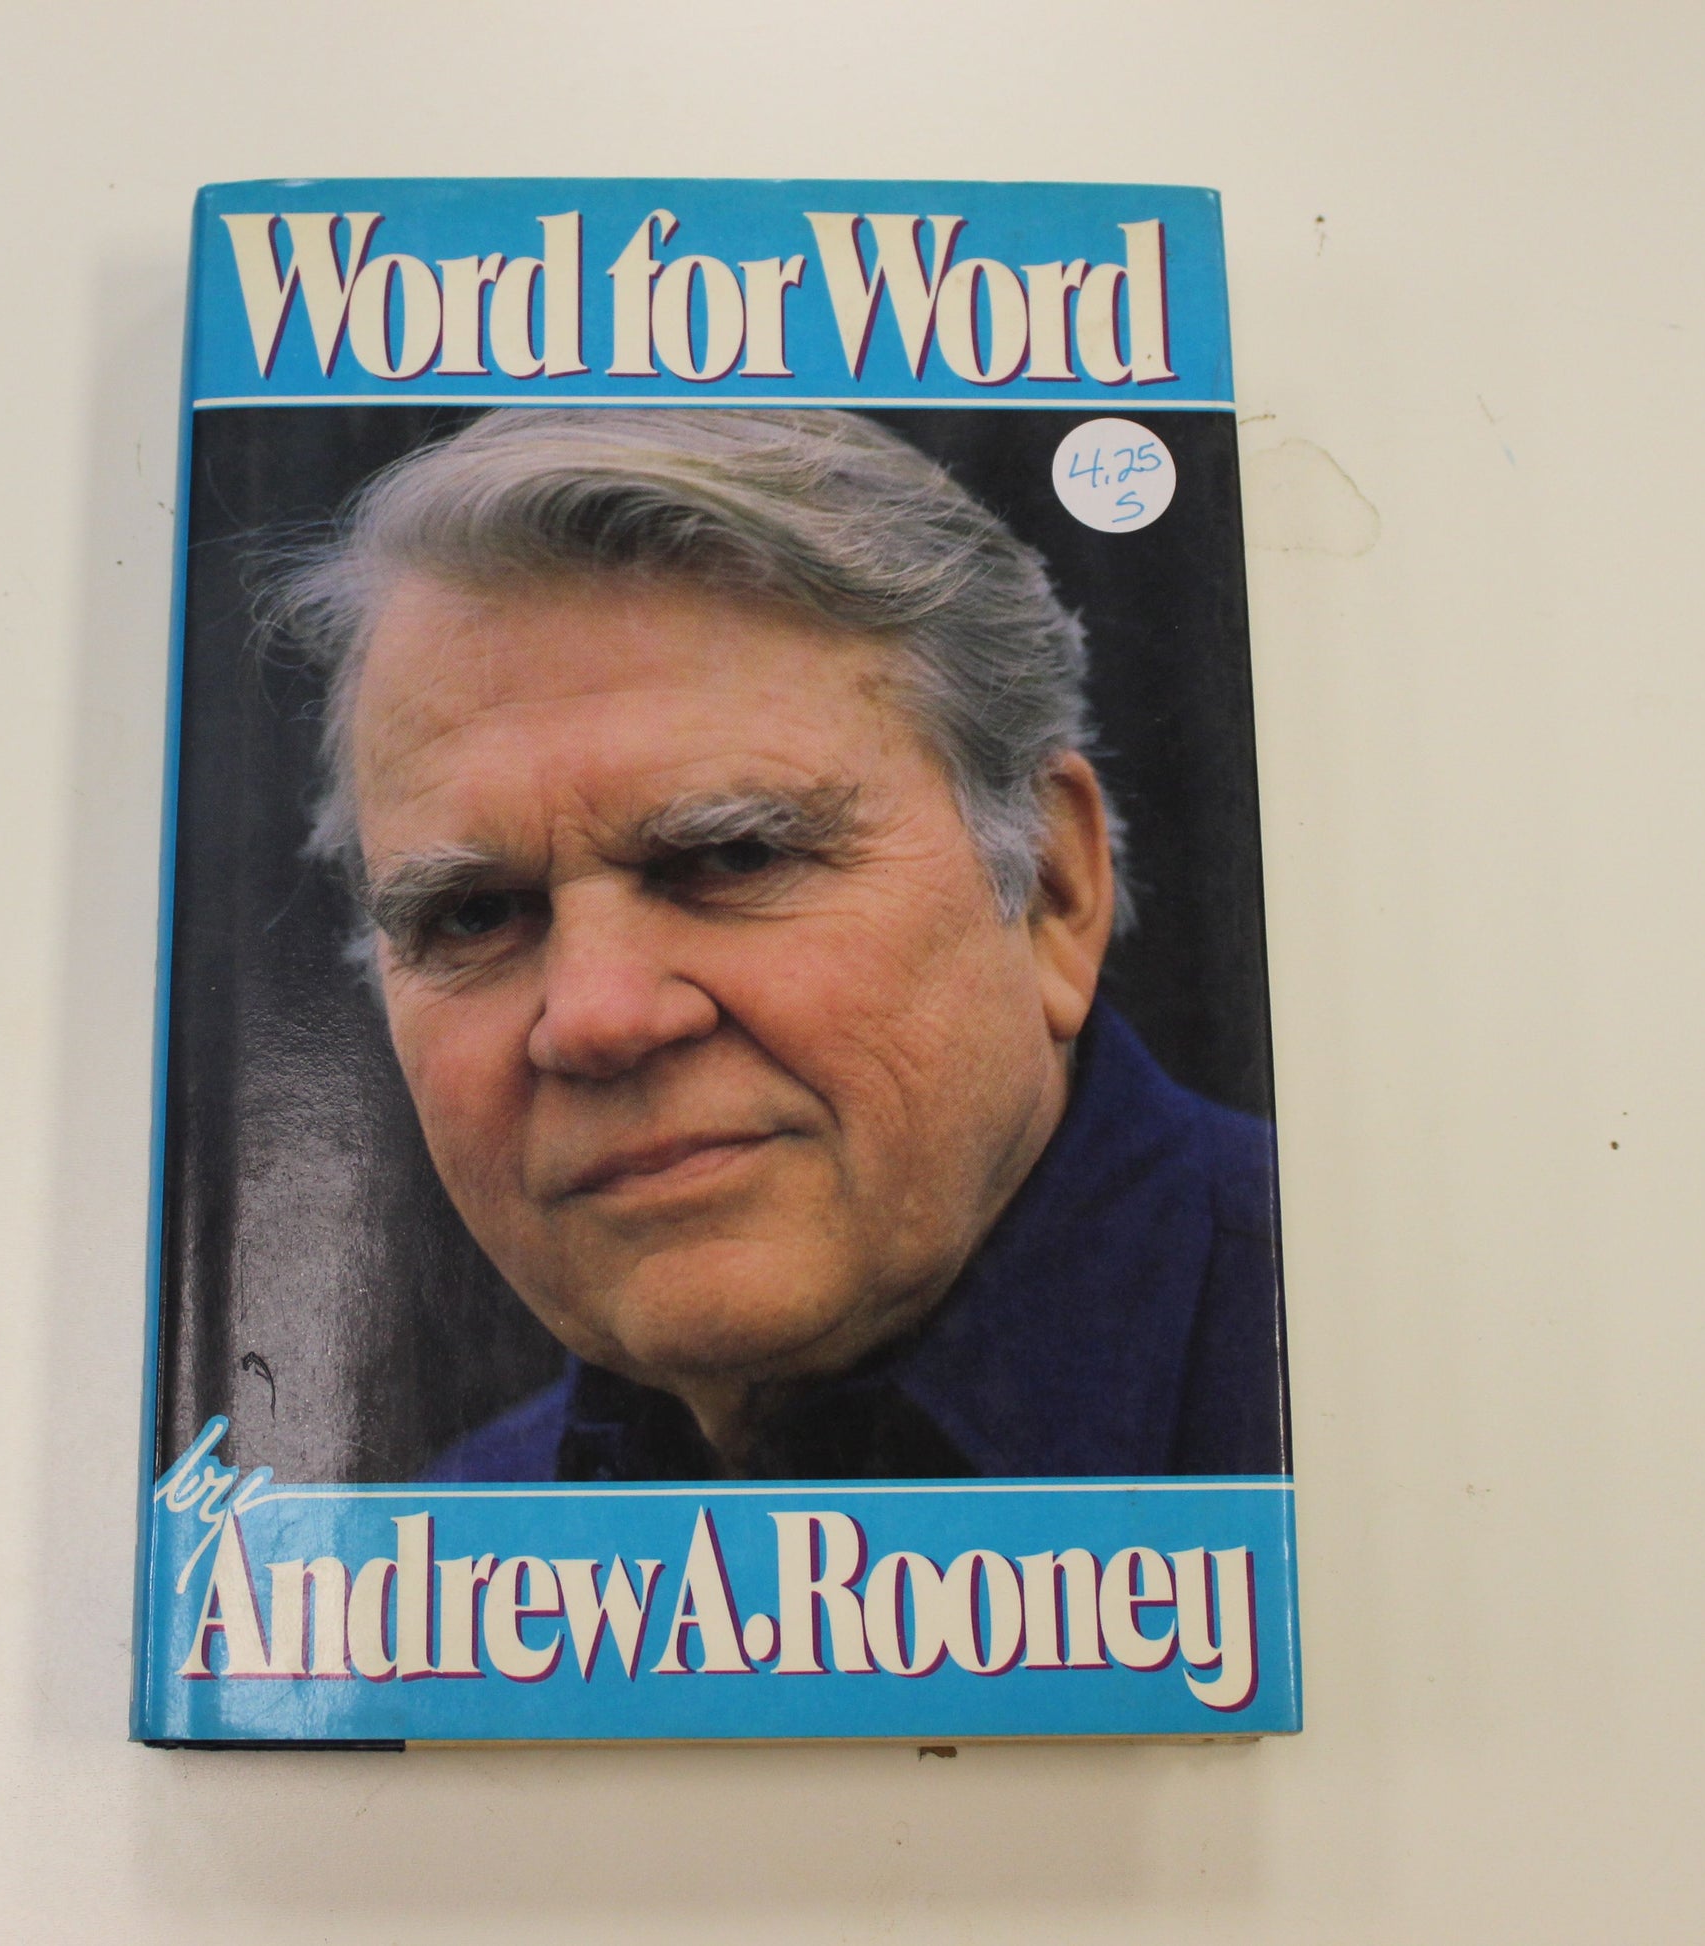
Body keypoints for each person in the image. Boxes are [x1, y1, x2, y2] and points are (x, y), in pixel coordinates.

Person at [275, 407, 1286, 1483]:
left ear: (1050, 885)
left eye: (734, 857)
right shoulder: (444, 1542)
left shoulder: (1368, 1339)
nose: (597, 1016)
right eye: (475, 915)